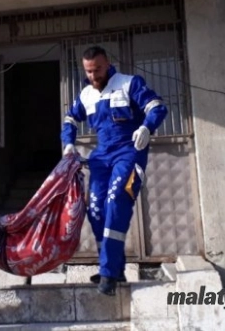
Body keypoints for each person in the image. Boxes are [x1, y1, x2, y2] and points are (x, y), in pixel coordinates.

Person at [61, 46, 168, 296]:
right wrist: (68, 143)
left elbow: (157, 107)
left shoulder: (129, 83)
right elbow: (70, 119)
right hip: (101, 156)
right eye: (88, 71)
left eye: (97, 69)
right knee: (96, 209)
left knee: (116, 200)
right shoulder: (86, 95)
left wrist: (146, 128)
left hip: (129, 152)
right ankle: (113, 268)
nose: (93, 75)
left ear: (108, 64)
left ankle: (108, 273)